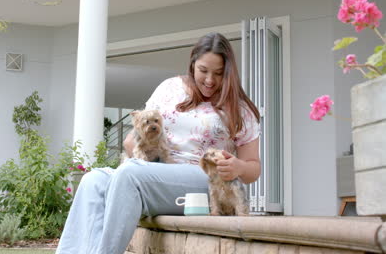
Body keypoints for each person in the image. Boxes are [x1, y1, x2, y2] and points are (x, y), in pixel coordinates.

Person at [56, 32, 261, 254]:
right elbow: (133, 136)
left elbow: (253, 168)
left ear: (228, 73)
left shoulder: (239, 108)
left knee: (130, 174)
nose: (210, 80)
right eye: (203, 71)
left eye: (218, 73)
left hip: (203, 179)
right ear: (192, 64)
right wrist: (139, 145)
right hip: (155, 170)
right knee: (93, 180)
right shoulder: (169, 88)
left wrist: (238, 167)